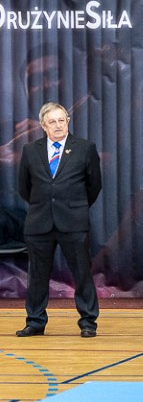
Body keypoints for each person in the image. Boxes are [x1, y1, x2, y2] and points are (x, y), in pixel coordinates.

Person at [16, 103, 102, 337]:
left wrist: (76, 206)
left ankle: (88, 321)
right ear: (43, 126)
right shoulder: (30, 150)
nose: (57, 126)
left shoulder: (85, 148)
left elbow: (94, 186)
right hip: (39, 222)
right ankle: (35, 321)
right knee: (37, 275)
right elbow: (24, 187)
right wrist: (43, 203)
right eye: (52, 122)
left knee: (82, 273)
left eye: (61, 120)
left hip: (73, 222)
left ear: (68, 121)